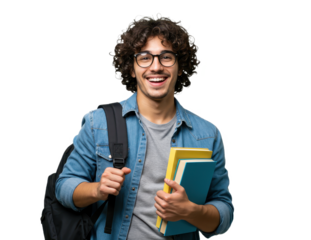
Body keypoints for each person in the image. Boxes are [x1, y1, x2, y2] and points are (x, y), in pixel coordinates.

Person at [56, 12, 234, 240]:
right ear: (131, 68)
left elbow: (224, 211)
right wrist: (98, 189)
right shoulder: (98, 122)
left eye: (166, 57)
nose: (156, 67)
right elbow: (64, 187)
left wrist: (192, 211)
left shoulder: (208, 134)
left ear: (180, 66)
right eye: (145, 57)